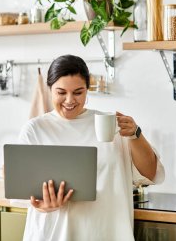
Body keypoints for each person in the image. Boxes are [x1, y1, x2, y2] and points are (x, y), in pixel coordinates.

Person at [19, 54, 165, 241]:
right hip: (54, 234)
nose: (70, 100)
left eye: (78, 92)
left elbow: (149, 173)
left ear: (87, 90)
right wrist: (44, 205)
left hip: (105, 232)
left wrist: (136, 134)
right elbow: (25, 193)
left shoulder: (110, 124)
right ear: (50, 90)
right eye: (61, 92)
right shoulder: (35, 128)